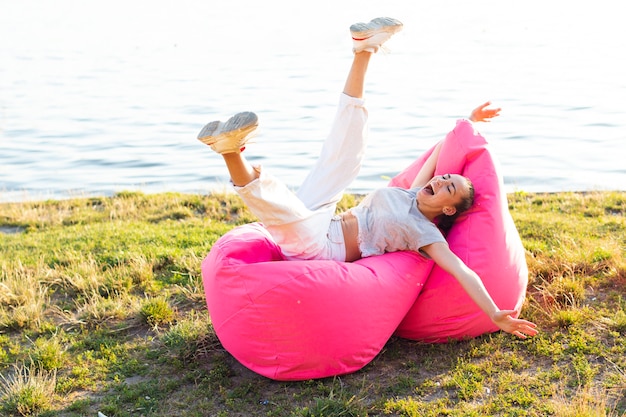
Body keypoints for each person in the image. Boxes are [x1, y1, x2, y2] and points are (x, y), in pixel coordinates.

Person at [197, 17, 538, 339]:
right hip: (325, 218)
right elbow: (444, 145)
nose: (440, 180)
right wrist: (469, 121)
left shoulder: (426, 234)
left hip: (318, 250)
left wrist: (495, 314)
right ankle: (365, 49)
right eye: (445, 177)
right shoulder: (412, 191)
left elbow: (464, 272)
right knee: (346, 157)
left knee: (284, 214)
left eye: (448, 187)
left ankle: (230, 151)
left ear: (448, 209)